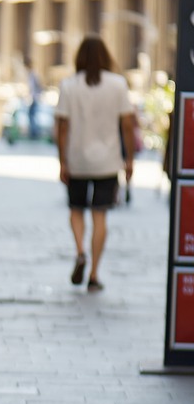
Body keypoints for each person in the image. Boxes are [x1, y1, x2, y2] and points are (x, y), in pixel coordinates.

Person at [55, 35, 134, 292]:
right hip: (108, 161)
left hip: (77, 159)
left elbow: (62, 127)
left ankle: (80, 251)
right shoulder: (118, 84)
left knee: (76, 209)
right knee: (100, 217)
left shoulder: (69, 86)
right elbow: (127, 125)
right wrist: (129, 159)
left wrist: (62, 161)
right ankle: (94, 273)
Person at [25, 55, 42, 141]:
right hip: (33, 97)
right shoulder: (31, 74)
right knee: (31, 114)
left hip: (35, 97)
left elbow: (37, 86)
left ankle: (34, 132)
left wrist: (36, 96)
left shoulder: (34, 74)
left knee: (32, 115)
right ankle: (33, 132)